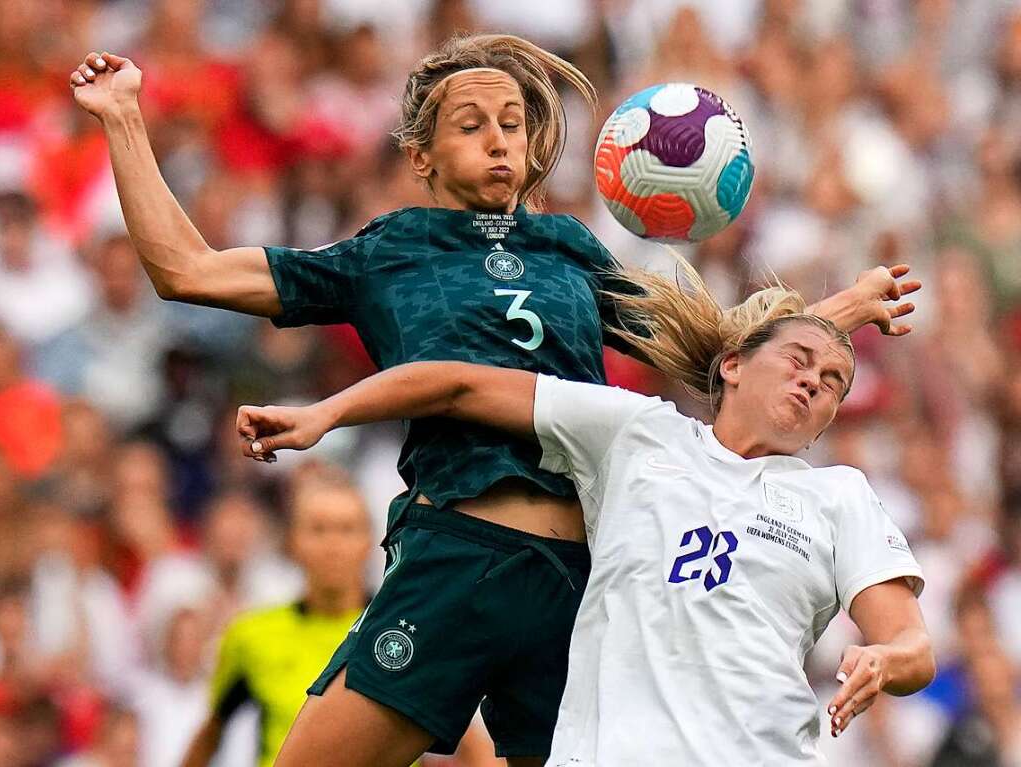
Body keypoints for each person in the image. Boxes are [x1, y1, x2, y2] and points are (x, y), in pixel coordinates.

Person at [69, 35, 918, 766]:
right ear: (421, 156)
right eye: (471, 126)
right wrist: (124, 119)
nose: (500, 141)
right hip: (456, 559)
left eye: (512, 124)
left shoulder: (569, 247)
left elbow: (720, 355)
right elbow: (185, 269)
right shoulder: (387, 250)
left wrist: (838, 310)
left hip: (579, 589)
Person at [235, 262, 936, 765]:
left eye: (834, 383)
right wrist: (324, 413)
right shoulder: (636, 434)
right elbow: (456, 385)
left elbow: (912, 644)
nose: (814, 380)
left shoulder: (839, 495)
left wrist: (885, 658)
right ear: (730, 365)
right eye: (799, 361)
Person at [181, 473, 372, 767]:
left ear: (370, 541)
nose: (333, 544)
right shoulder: (252, 635)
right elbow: (210, 734)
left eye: (347, 529)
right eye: (318, 530)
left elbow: (464, 738)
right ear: (293, 541)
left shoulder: (405, 633)